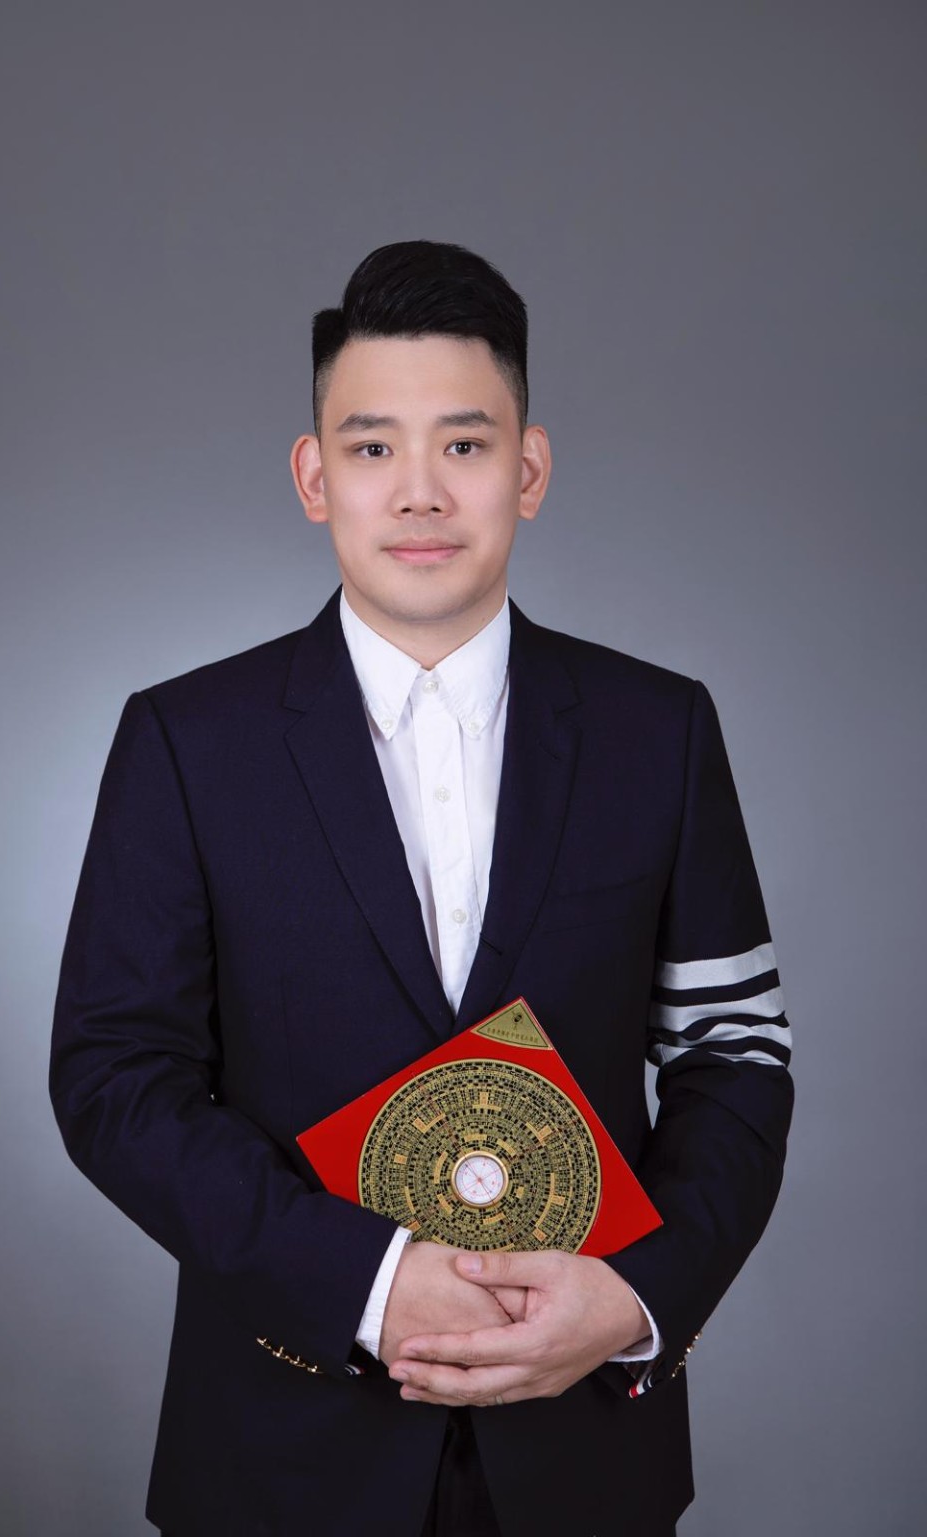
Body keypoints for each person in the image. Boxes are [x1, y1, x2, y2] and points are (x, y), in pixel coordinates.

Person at [50, 240, 793, 1537]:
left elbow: (734, 1052)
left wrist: (637, 1294)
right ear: (314, 475)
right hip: (278, 1455)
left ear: (529, 468)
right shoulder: (187, 740)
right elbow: (117, 1077)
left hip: (587, 1456)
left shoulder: (659, 730)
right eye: (372, 445)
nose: (420, 491)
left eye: (463, 443)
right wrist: (368, 1280)